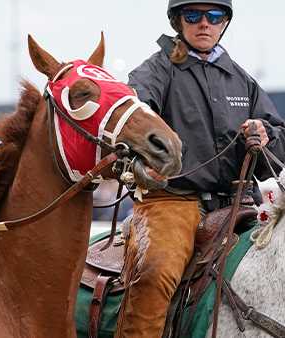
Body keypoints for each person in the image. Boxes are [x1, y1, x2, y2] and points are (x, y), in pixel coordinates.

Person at [115, 1, 285, 336]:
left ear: (225, 22)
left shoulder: (241, 78)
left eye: (214, 16)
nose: (204, 23)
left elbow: (280, 138)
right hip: (171, 204)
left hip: (239, 205)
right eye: (193, 15)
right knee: (156, 273)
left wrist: (267, 136)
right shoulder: (154, 71)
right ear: (178, 21)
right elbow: (132, 121)